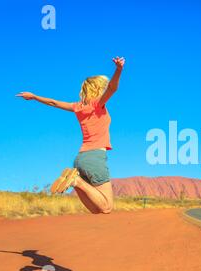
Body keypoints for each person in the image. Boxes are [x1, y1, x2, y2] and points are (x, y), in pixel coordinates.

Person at [16, 56, 125, 214]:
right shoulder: (97, 104)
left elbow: (54, 103)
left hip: (80, 159)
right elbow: (113, 88)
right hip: (95, 157)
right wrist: (119, 69)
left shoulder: (78, 107)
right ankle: (76, 180)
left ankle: (75, 180)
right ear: (98, 88)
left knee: (96, 209)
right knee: (107, 207)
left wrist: (34, 97)